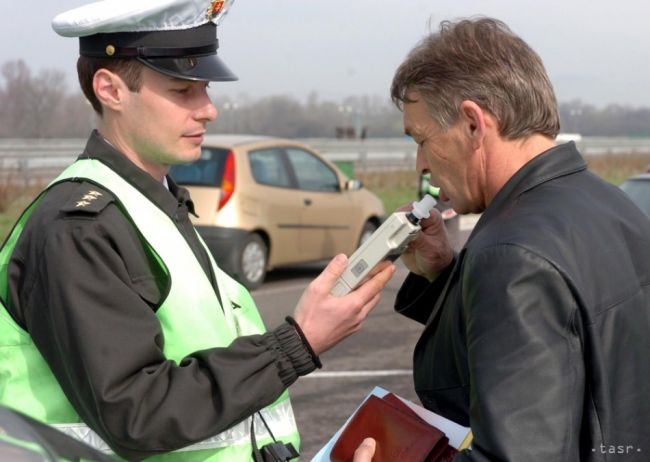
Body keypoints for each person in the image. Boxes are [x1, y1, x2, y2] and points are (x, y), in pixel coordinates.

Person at [0, 1, 395, 461]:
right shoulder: (77, 228)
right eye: (183, 89)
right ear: (109, 89)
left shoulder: (149, 202)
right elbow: (137, 413)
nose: (208, 109)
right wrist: (297, 342)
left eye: (204, 87)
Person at [388, 17, 650, 461]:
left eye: (422, 139)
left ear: (473, 124)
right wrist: (445, 274)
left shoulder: (511, 255)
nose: (420, 166)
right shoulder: (610, 202)